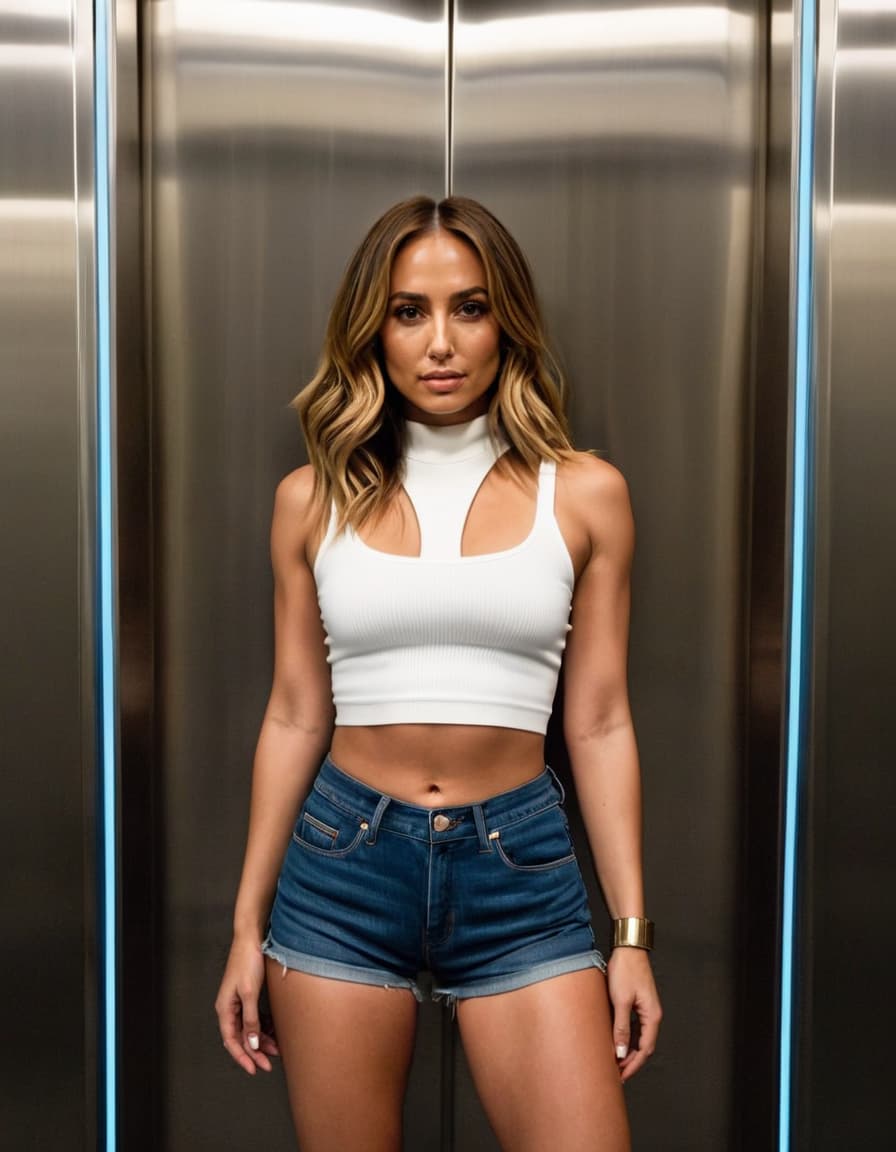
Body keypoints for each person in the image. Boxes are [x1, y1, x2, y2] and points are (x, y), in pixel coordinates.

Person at [214, 196, 661, 1151]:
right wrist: (246, 927)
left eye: (470, 306)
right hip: (342, 869)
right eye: (409, 311)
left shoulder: (586, 493)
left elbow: (600, 723)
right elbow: (295, 715)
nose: (441, 342)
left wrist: (629, 935)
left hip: (520, 871)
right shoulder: (310, 499)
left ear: (509, 323)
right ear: (373, 330)